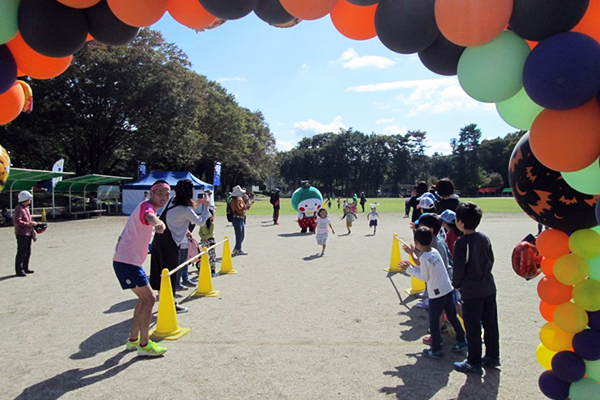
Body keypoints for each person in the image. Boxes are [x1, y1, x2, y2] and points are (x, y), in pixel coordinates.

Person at [112, 180, 170, 356]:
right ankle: (144, 345)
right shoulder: (147, 207)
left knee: (144, 299)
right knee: (150, 299)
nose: (164, 197)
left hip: (129, 262)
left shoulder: (148, 206)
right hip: (126, 262)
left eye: (167, 194)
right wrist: (157, 222)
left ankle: (133, 340)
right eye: (160, 193)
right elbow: (149, 215)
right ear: (151, 194)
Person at [398, 228, 467, 359]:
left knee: (434, 321)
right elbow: (424, 266)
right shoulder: (434, 251)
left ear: (416, 242)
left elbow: (424, 276)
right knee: (452, 316)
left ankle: (436, 348)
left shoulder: (424, 257)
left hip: (437, 294)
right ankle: (462, 340)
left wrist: (408, 269)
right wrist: (413, 253)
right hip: (447, 289)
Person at [149, 179, 211, 313]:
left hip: (159, 239)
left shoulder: (173, 200)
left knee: (160, 271)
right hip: (169, 243)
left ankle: (164, 299)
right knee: (170, 273)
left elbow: (182, 214)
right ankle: (171, 304)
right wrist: (206, 206)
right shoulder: (184, 208)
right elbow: (200, 221)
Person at [452, 202, 500, 375]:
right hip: (488, 286)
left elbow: (459, 269)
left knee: (472, 327)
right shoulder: (484, 237)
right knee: (490, 323)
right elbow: (491, 259)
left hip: (472, 291)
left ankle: (473, 361)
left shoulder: (461, 243)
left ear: (460, 222)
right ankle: (493, 356)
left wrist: (456, 284)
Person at [14, 191, 37, 277]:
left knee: (28, 251)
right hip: (21, 233)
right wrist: (28, 224)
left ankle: (25, 267)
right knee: (21, 252)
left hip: (28, 232)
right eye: (29, 198)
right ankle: (19, 269)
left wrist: (31, 224)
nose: (30, 200)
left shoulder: (26, 208)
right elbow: (17, 221)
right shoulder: (19, 208)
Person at [230, 185, 253, 255]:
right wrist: (246, 206)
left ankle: (237, 248)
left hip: (241, 218)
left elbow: (243, 208)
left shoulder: (240, 199)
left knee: (242, 235)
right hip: (237, 218)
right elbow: (239, 210)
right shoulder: (233, 201)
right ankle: (238, 249)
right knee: (239, 235)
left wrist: (248, 206)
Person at [199, 209, 217, 275]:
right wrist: (203, 238)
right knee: (208, 255)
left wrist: (204, 238)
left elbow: (210, 233)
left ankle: (212, 269)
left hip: (209, 240)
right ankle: (209, 269)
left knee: (210, 255)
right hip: (207, 241)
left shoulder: (211, 224)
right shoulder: (204, 224)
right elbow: (200, 232)